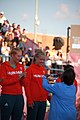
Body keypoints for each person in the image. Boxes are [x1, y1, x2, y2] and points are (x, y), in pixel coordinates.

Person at [0, 47, 26, 120]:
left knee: (17, 117)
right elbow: (2, 82)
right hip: (7, 95)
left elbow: (23, 84)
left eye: (21, 56)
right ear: (12, 55)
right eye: (18, 56)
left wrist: (24, 78)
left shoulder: (21, 66)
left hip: (19, 96)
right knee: (5, 117)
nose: (20, 58)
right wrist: (17, 78)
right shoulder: (4, 66)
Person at [25, 49, 48, 120]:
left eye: (44, 60)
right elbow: (27, 86)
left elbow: (45, 85)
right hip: (33, 101)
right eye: (41, 59)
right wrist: (29, 100)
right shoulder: (29, 70)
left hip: (43, 101)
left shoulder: (44, 70)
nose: (42, 61)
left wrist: (47, 97)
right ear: (36, 58)